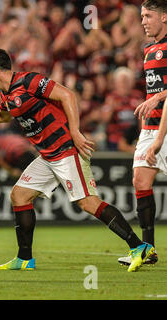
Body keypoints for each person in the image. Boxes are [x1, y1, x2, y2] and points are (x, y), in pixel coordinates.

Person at [0, 47, 153, 272]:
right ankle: (24, 259)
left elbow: (67, 94)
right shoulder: (6, 94)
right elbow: (2, 115)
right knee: (20, 195)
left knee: (88, 203)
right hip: (47, 155)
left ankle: (138, 247)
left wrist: (75, 131)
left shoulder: (29, 81)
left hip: (66, 149)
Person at [118, 0, 167, 266]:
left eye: (148, 16)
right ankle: (148, 249)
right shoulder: (148, 49)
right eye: (141, 16)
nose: (143, 21)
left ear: (165, 17)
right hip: (151, 127)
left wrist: (158, 97)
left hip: (166, 127)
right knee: (140, 181)